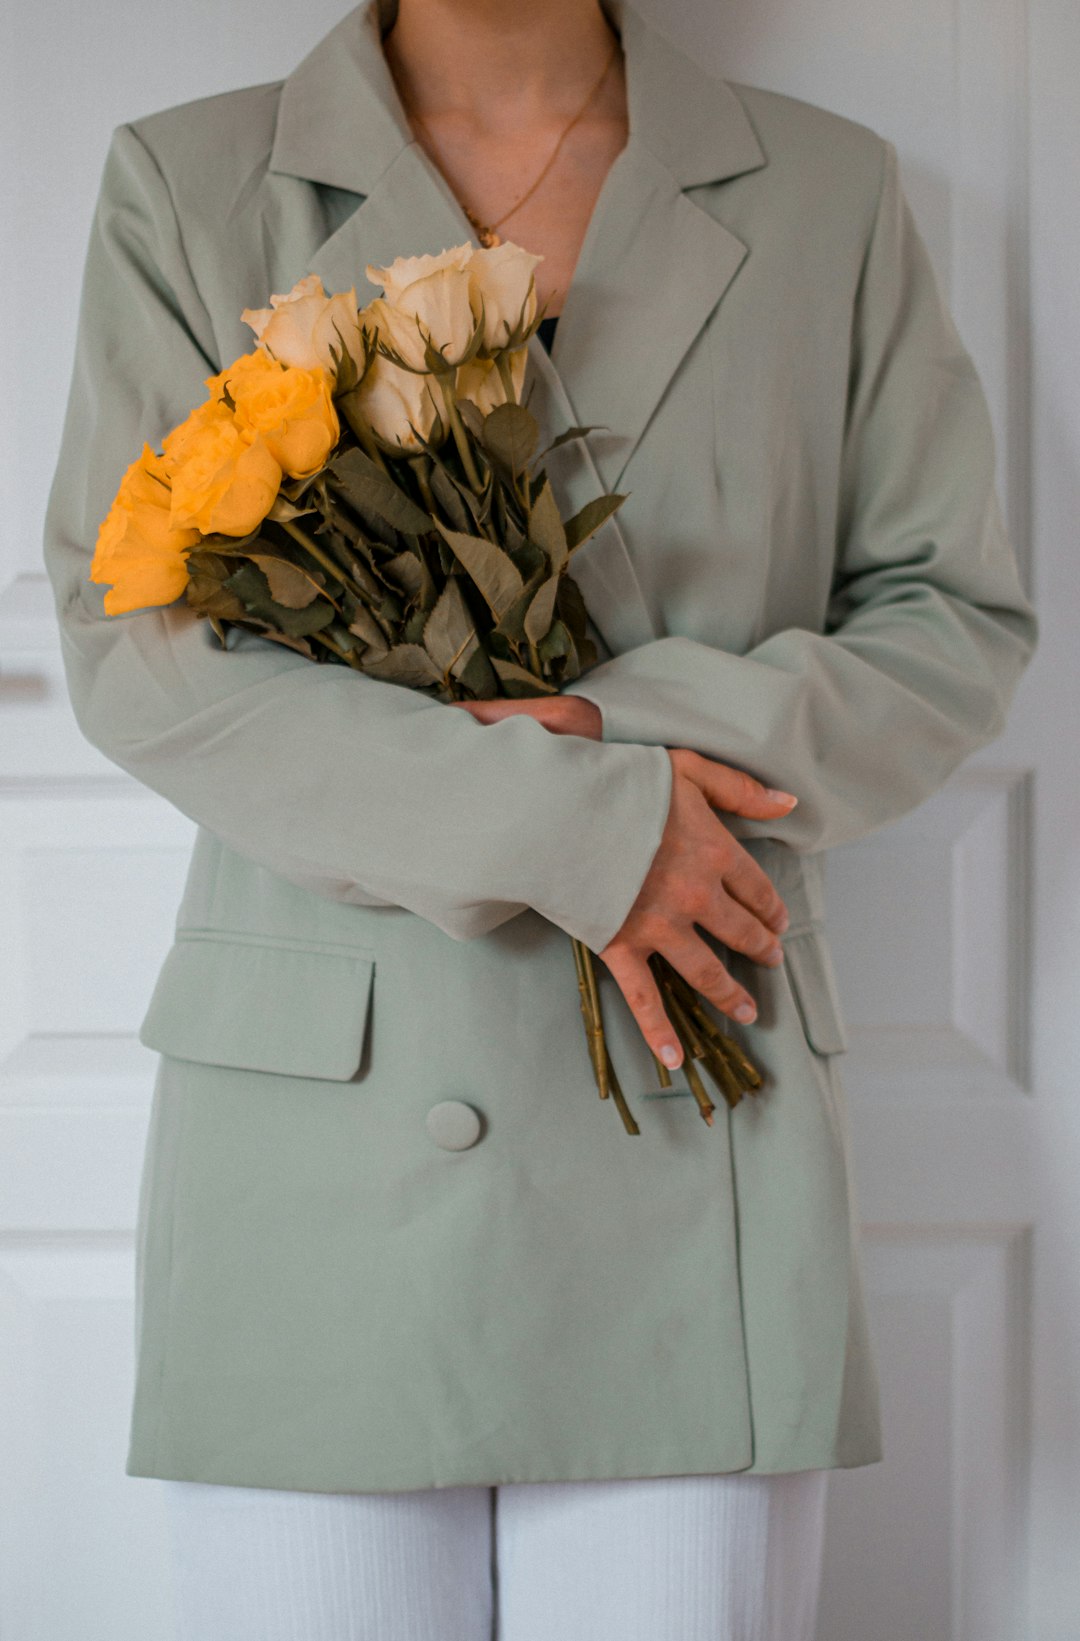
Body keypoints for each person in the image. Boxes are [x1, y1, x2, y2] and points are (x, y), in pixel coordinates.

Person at [41, 0, 1037, 1634]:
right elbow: (141, 650)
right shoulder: (193, 179)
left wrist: (614, 738)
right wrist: (581, 828)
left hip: (692, 1112)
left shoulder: (828, 194)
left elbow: (949, 625)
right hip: (322, 1154)